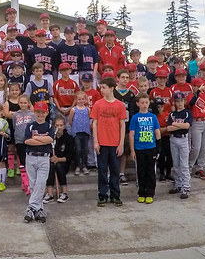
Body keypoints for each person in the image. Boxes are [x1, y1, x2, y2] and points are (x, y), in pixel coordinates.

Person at [91, 77, 127, 207]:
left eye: (104, 87)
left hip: (115, 143)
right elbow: (94, 123)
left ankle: (115, 195)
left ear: (111, 88)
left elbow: (122, 124)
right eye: (101, 87)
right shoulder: (98, 104)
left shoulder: (119, 105)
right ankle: (102, 195)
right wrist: (96, 141)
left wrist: (121, 143)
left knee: (115, 171)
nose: (101, 90)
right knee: (102, 170)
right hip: (102, 143)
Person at [22, 101, 53, 223]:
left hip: (44, 157)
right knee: (33, 184)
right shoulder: (30, 125)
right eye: (38, 112)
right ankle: (39, 209)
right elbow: (27, 141)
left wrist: (36, 138)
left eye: (42, 112)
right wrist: (42, 140)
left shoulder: (49, 126)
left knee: (41, 182)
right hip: (31, 156)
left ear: (47, 113)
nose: (40, 114)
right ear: (34, 112)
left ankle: (30, 208)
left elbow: (50, 139)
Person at [129, 94, 161, 203]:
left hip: (151, 147)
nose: (144, 105)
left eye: (146, 102)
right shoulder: (135, 117)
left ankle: (150, 193)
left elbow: (157, 132)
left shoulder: (153, 117)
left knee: (151, 171)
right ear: (138, 104)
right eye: (142, 103)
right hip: (139, 148)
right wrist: (132, 150)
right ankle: (142, 192)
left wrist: (158, 148)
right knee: (141, 171)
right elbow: (132, 134)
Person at [166, 91, 192, 199]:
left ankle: (186, 187)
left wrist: (175, 124)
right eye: (177, 101)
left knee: (184, 164)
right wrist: (179, 126)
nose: (180, 103)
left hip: (183, 139)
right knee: (176, 164)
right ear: (175, 102)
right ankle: (178, 184)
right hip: (173, 139)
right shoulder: (172, 114)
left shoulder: (187, 113)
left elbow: (186, 126)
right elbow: (168, 128)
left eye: (181, 101)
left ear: (184, 101)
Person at [46, 115, 73, 204]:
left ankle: (64, 192)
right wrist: (52, 158)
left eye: (61, 125)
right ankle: (49, 193)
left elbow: (70, 156)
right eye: (57, 125)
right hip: (52, 162)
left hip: (63, 163)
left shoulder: (68, 138)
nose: (59, 127)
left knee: (58, 165)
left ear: (64, 126)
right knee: (52, 166)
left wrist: (59, 159)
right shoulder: (51, 138)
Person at [68, 91, 91, 176]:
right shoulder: (73, 110)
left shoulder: (88, 109)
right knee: (78, 149)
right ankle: (77, 165)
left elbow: (89, 119)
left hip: (85, 131)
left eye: (82, 99)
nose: (81, 101)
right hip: (77, 132)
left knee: (85, 149)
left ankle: (84, 165)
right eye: (79, 99)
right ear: (76, 100)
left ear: (85, 100)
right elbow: (70, 121)